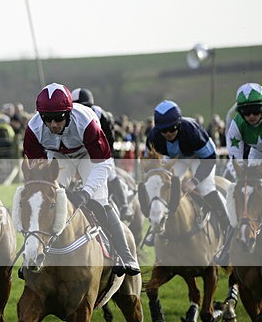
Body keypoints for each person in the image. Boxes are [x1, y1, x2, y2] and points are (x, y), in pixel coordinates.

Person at [24, 83, 140, 276]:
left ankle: (125, 255)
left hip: (89, 156)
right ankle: (31, 253)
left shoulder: (86, 122)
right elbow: (39, 171)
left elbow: (103, 163)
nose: (53, 124)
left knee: (99, 202)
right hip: (58, 156)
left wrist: (86, 194)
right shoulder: (33, 130)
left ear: (68, 113)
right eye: (47, 118)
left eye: (58, 118)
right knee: (44, 198)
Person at [145, 100, 231, 265]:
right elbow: (151, 164)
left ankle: (226, 225)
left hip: (202, 157)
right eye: (164, 130)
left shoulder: (192, 131)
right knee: (166, 185)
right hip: (178, 158)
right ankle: (155, 226)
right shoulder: (153, 137)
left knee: (205, 187)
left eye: (172, 129)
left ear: (178, 124)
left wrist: (194, 181)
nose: (168, 133)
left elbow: (210, 159)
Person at [71, 87, 131, 218]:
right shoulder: (71, 118)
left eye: (86, 106)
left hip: (101, 152)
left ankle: (124, 205)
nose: (83, 110)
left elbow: (109, 139)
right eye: (80, 106)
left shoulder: (103, 115)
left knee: (111, 174)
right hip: (78, 154)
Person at [220, 83, 262, 262]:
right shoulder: (235, 124)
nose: (251, 116)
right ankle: (227, 244)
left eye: (256, 111)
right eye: (246, 112)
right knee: (239, 190)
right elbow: (235, 159)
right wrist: (242, 178)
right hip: (256, 151)